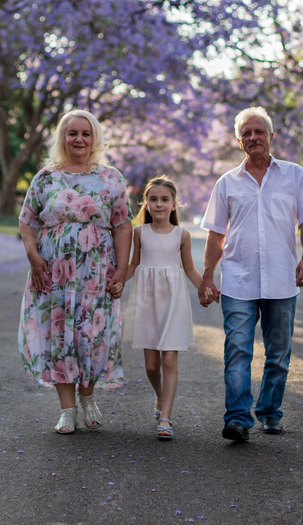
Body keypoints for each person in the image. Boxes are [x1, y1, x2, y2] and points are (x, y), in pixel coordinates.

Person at [198, 106, 303, 442]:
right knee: (237, 351)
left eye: (258, 132)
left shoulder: (295, 175)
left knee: (278, 352)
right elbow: (215, 233)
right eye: (246, 134)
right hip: (238, 280)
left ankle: (270, 412)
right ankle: (238, 418)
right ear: (239, 141)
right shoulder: (226, 183)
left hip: (282, 279)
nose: (253, 137)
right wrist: (208, 276)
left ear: (271, 137)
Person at [18, 109, 134, 434]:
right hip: (53, 272)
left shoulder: (111, 178)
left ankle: (87, 395)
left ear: (94, 138)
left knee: (92, 336)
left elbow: (123, 226)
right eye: (72, 133)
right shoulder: (46, 178)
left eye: (85, 133)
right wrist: (33, 256)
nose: (79, 139)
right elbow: (27, 221)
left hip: (96, 272)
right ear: (62, 138)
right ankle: (67, 409)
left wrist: (122, 270)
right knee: (60, 336)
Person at [125, 176, 202, 441]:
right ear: (146, 202)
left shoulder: (182, 235)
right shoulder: (139, 233)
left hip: (173, 302)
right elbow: (133, 264)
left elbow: (190, 269)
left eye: (164, 199)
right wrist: (113, 281)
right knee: (150, 365)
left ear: (174, 204)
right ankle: (159, 395)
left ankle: (166, 417)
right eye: (153, 199)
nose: (158, 204)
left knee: (169, 359)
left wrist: (207, 288)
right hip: (146, 301)